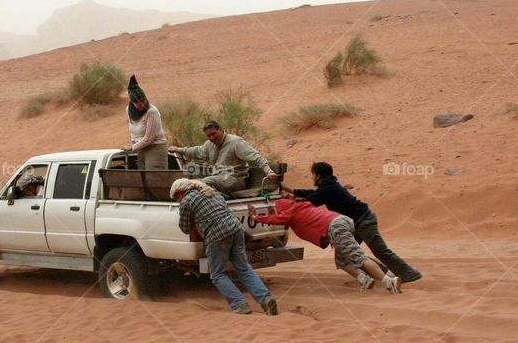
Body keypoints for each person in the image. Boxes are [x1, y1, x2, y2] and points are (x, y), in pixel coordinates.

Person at [281, 162, 422, 283]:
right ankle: (380, 271)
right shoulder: (329, 185)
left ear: (318, 176)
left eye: (313, 175)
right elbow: (312, 194)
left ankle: (409, 274)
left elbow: (312, 200)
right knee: (346, 253)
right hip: (355, 223)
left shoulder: (328, 188)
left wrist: (292, 199)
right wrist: (289, 190)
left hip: (364, 221)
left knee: (379, 251)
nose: (312, 177)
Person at [171, 178, 278, 315]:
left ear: (181, 192)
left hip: (217, 236)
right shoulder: (211, 192)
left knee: (217, 274)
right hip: (236, 229)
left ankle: (239, 305)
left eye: (175, 197)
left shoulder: (186, 201)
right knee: (244, 269)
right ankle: (266, 299)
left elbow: (185, 228)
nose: (177, 200)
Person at [249, 198, 401, 293]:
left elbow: (277, 219)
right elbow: (281, 219)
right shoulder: (301, 207)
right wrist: (272, 213)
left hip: (335, 227)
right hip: (342, 221)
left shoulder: (291, 213)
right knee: (342, 261)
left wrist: (256, 217)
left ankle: (389, 281)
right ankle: (363, 279)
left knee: (357, 256)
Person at [168, 120, 277, 195]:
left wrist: (269, 171)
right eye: (208, 136)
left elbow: (256, 157)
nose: (211, 137)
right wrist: (179, 149)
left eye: (214, 134)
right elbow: (197, 151)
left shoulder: (235, 142)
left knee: (206, 181)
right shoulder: (209, 144)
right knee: (190, 169)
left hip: (235, 179)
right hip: (218, 175)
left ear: (221, 129)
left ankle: (204, 202)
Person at [122, 75, 169, 170]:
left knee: (154, 180)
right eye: (138, 104)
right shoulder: (129, 110)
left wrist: (132, 147)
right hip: (140, 148)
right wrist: (133, 143)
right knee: (142, 179)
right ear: (132, 103)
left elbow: (149, 138)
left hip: (155, 148)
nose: (142, 105)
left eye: (143, 101)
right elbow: (132, 130)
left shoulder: (152, 111)